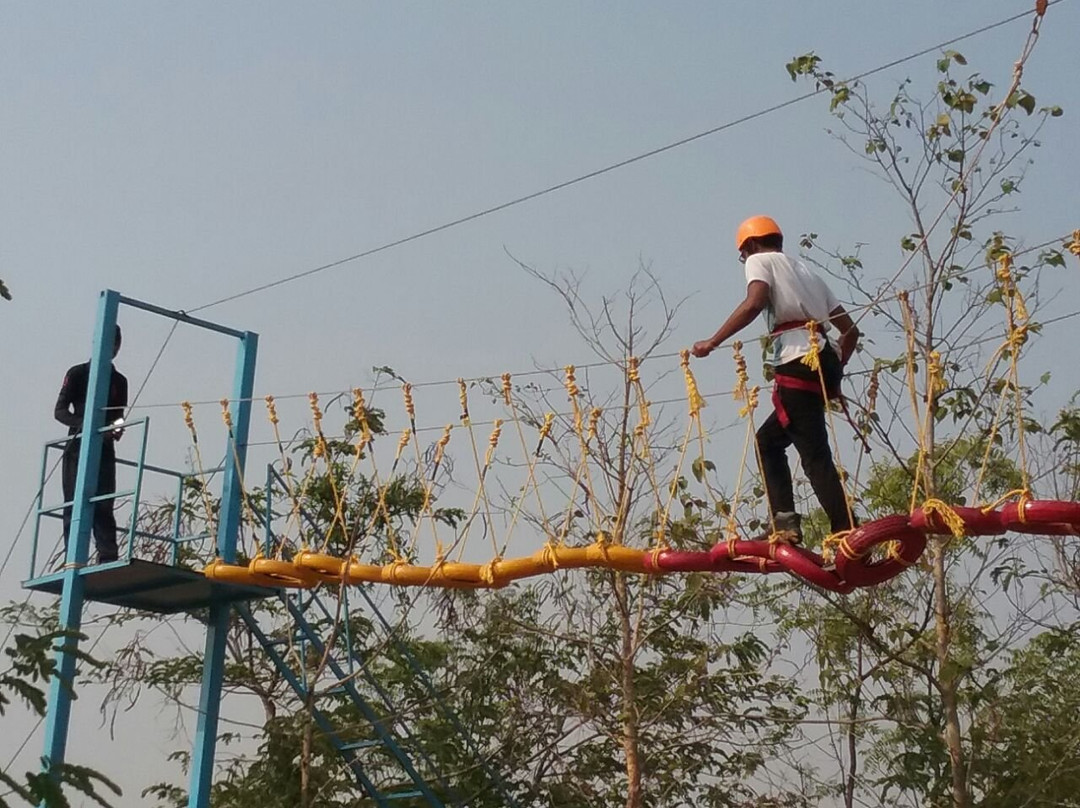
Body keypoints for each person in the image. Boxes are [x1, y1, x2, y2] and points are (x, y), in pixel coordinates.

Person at [691, 215, 859, 541]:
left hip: (796, 359)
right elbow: (850, 331)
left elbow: (755, 303)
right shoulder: (808, 272)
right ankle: (785, 521)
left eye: (743, 253)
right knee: (769, 442)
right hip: (822, 359)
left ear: (751, 245)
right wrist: (835, 370)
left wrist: (713, 341)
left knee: (814, 454)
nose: (745, 259)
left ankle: (845, 528)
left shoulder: (759, 260)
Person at [54, 324, 128, 563]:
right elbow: (60, 411)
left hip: (105, 450)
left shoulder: (119, 381)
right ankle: (73, 557)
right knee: (75, 502)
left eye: (115, 344)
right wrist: (86, 425)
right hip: (77, 447)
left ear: (118, 346)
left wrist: (116, 429)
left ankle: (107, 555)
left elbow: (118, 416)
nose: (112, 348)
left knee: (104, 502)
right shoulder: (77, 373)